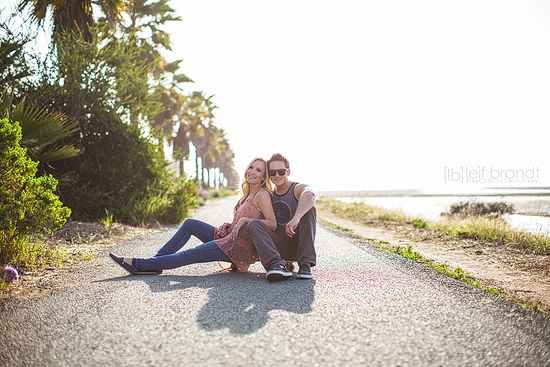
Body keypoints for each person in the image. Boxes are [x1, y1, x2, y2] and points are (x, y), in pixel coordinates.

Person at [109, 157, 277, 275]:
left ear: (264, 177)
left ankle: (139, 264)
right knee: (190, 224)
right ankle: (156, 262)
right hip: (226, 237)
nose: (252, 171)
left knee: (188, 255)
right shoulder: (248, 194)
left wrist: (246, 220)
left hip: (235, 249)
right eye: (251, 167)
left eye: (258, 170)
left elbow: (272, 223)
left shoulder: (261, 194)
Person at [247, 153, 317, 282]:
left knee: (310, 209)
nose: (277, 175)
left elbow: (310, 194)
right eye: (273, 172)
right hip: (276, 248)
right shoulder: (268, 195)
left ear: (288, 171)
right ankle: (277, 265)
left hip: (298, 245)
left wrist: (296, 218)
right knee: (254, 224)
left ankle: (305, 265)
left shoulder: (296, 188)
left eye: (281, 171)